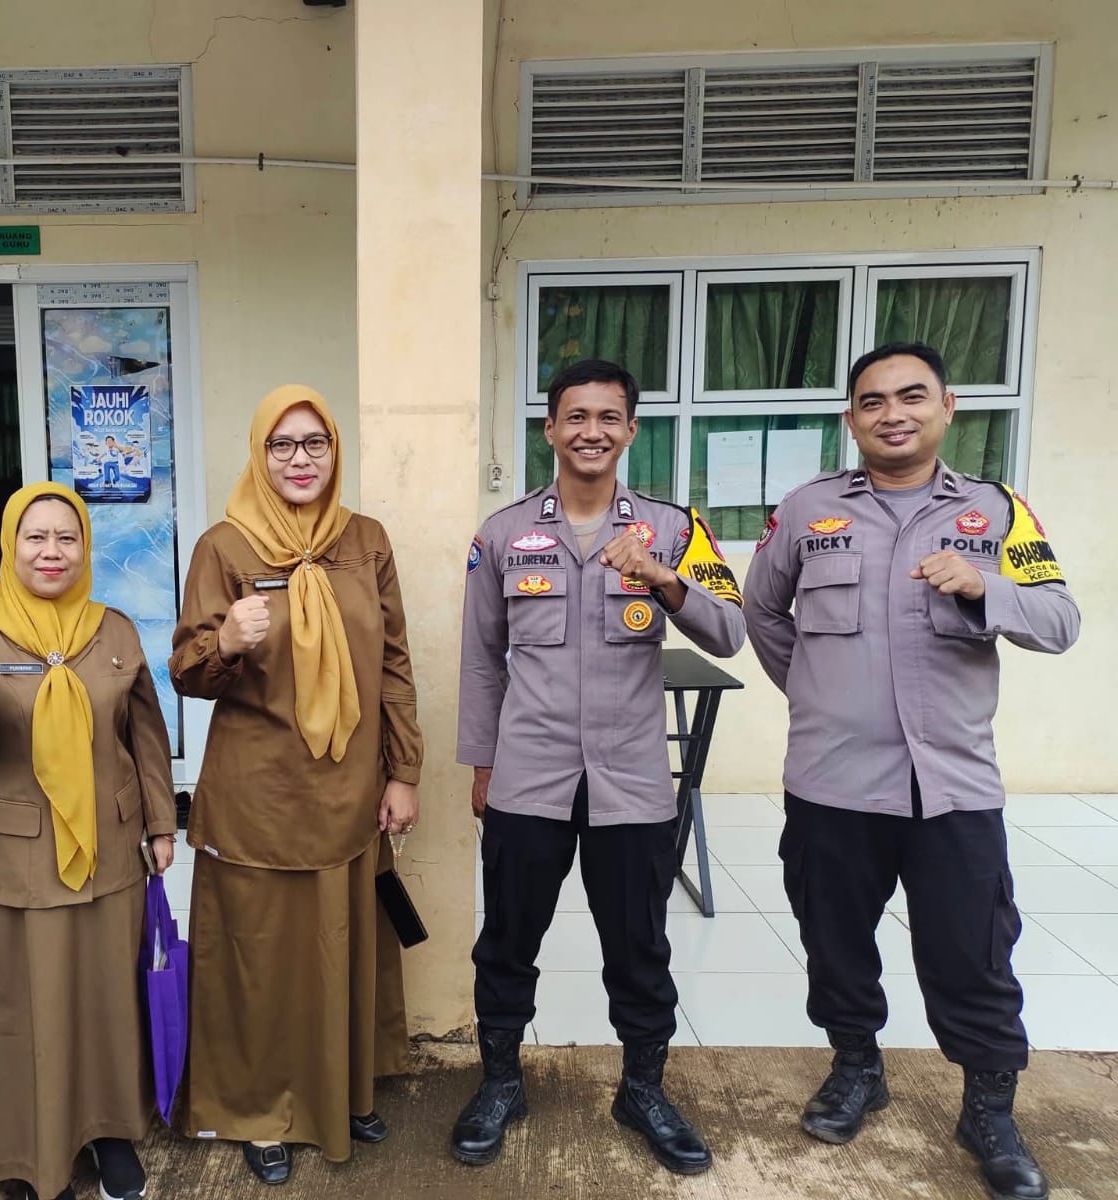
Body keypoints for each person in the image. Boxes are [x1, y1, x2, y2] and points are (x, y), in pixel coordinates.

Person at [744, 342, 1080, 1200]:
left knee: (973, 949)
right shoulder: (809, 508)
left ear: (947, 406)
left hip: (952, 785)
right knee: (835, 940)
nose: (892, 413)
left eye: (911, 396)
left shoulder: (997, 512)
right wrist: (817, 692)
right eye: (872, 401)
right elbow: (762, 610)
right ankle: (857, 1066)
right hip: (831, 780)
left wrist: (984, 587)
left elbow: (1059, 619)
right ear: (851, 418)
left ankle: (989, 1109)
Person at [452, 359, 746, 1176]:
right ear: (549, 429)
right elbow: (480, 660)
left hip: (632, 783)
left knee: (639, 946)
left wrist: (666, 581)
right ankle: (501, 1083)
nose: (591, 431)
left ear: (631, 430)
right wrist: (482, 763)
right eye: (575, 417)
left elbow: (731, 632)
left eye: (608, 417)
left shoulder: (673, 530)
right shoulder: (503, 535)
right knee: (508, 940)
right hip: (528, 777)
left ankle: (643, 1090)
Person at [169, 384, 424, 1186]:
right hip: (259, 793)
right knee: (261, 958)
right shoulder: (225, 546)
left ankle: (340, 1090)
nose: (300, 459)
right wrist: (224, 642)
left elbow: (393, 663)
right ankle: (258, 1109)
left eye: (315, 442)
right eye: (281, 445)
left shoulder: (365, 540)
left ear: (334, 451)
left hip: (350, 788)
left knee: (339, 946)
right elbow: (186, 673)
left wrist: (404, 770)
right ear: (259, 454)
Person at [0, 481, 177, 1200]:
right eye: (35, 537)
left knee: (105, 1000)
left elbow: (146, 736)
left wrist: (161, 823)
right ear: (10, 546)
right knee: (25, 1010)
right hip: (17, 859)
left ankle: (108, 1131)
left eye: (66, 538)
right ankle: (30, 1152)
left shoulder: (114, 630)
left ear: (85, 548)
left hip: (111, 849)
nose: (52, 551)